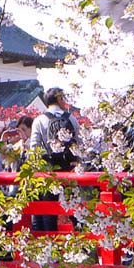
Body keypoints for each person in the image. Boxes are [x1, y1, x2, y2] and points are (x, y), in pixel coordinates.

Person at [28, 88, 82, 233]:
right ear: (59, 99)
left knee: (48, 210)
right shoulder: (71, 119)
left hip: (48, 170)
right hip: (70, 169)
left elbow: (34, 148)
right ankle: (82, 240)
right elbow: (79, 144)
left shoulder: (40, 120)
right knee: (75, 209)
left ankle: (49, 241)